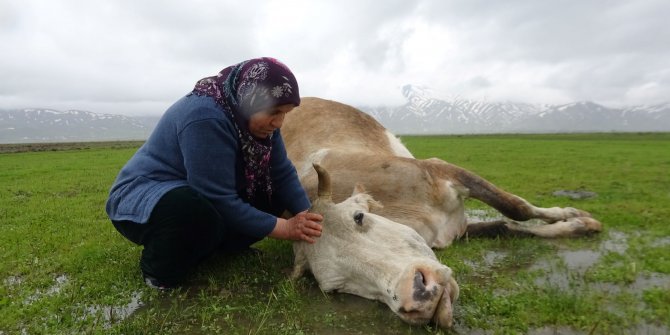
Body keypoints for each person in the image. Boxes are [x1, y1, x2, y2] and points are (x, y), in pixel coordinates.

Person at [106, 57, 323, 289]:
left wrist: (308, 216)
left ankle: (221, 249)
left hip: (195, 193)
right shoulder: (205, 116)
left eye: (285, 113)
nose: (279, 123)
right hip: (146, 197)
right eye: (274, 111)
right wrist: (285, 228)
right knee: (192, 209)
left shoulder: (261, 123)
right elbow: (216, 197)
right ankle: (159, 271)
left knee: (271, 191)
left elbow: (281, 173)